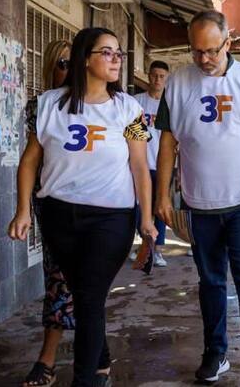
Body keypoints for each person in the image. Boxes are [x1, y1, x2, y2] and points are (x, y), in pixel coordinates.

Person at [9, 27, 158, 387]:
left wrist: (147, 220)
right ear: (84, 59)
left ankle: (86, 380)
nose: (116, 60)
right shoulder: (48, 104)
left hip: (110, 219)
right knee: (82, 296)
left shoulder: (130, 109)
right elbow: (30, 160)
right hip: (59, 216)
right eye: (106, 52)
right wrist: (23, 210)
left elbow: (140, 165)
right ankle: (101, 361)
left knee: (90, 298)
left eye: (118, 53)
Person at [153, 10, 240, 386]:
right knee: (210, 281)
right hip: (200, 204)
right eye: (197, 52)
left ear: (229, 42)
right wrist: (164, 196)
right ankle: (216, 353)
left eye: (212, 50)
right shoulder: (178, 83)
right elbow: (167, 144)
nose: (205, 59)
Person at [20, 40, 73, 387]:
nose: (70, 70)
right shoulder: (41, 108)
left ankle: (98, 361)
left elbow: (139, 151)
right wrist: (22, 208)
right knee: (58, 278)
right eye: (63, 63)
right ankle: (48, 358)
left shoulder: (118, 104)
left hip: (104, 211)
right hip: (55, 206)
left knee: (91, 283)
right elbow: (30, 160)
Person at [132, 60, 171, 267]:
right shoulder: (137, 102)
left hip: (162, 164)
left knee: (160, 207)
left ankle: (157, 250)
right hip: (141, 164)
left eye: (161, 76)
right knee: (138, 206)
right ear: (148, 76)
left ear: (166, 79)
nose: (157, 80)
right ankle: (146, 243)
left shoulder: (170, 104)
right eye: (154, 75)